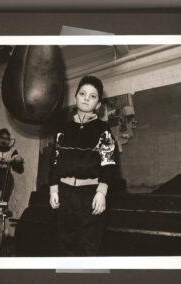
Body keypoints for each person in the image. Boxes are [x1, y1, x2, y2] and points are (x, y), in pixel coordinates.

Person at [48, 75, 118, 256]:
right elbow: (53, 160)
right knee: (65, 246)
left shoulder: (103, 130)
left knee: (89, 247)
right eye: (82, 93)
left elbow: (109, 163)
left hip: (90, 196)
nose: (86, 98)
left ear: (98, 104)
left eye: (93, 96)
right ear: (75, 98)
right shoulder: (62, 130)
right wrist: (54, 189)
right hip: (64, 196)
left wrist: (101, 192)